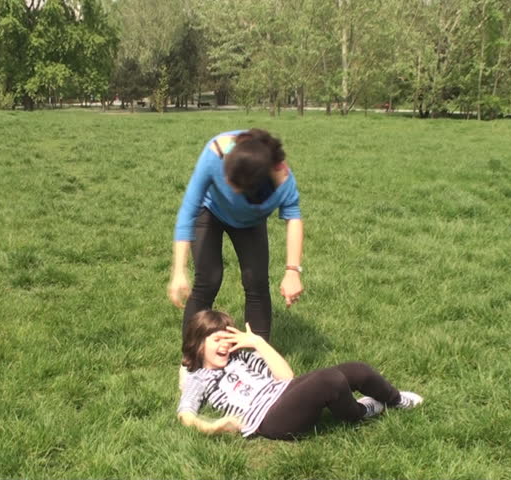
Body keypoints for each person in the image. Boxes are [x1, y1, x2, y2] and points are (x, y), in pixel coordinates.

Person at [177, 310, 423, 440]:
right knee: (330, 380)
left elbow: (286, 377)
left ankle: (395, 399)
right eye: (217, 339)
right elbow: (185, 414)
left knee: (356, 369)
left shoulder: (241, 357)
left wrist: (257, 342)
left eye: (228, 338)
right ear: (198, 343)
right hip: (267, 420)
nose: (225, 345)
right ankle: (360, 412)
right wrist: (213, 427)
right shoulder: (198, 378)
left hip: (285, 395)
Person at [168, 129, 304, 344]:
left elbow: (293, 217)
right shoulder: (216, 154)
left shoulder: (281, 178)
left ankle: (258, 362)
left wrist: (292, 271)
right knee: (209, 279)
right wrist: (178, 271)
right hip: (209, 211)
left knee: (256, 282)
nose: (228, 186)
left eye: (235, 187)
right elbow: (188, 210)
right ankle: (191, 359)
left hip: (250, 221)